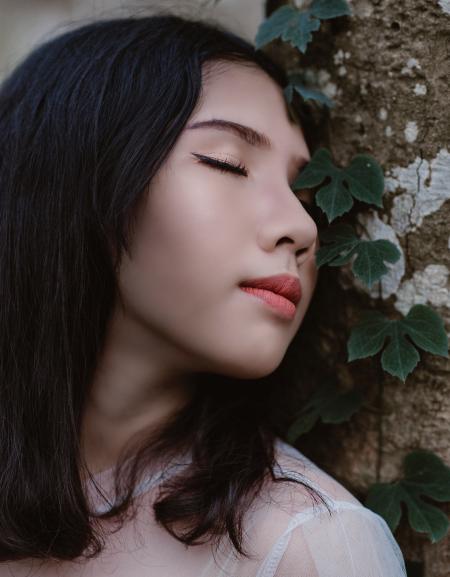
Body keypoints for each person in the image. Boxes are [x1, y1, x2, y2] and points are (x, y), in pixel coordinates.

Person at [0, 8, 407, 576]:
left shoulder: (306, 546)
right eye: (229, 162)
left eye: (305, 196)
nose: (303, 226)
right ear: (76, 180)